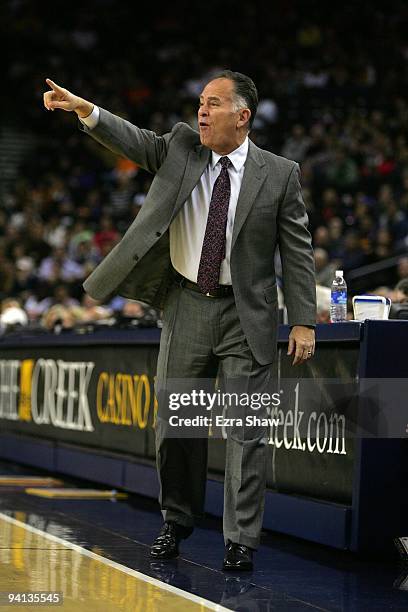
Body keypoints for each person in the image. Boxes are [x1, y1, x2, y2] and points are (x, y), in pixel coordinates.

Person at [43, 71, 316, 570]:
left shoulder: (279, 173)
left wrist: (303, 320)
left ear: (243, 116)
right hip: (188, 303)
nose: (202, 111)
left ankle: (241, 540)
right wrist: (87, 110)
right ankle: (177, 520)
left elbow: (297, 252)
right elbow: (134, 139)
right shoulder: (182, 147)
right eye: (201, 103)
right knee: (176, 425)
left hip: (247, 313)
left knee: (246, 429)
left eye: (214, 103)